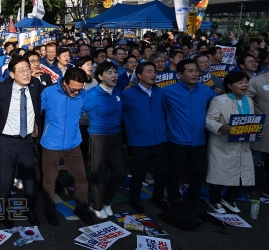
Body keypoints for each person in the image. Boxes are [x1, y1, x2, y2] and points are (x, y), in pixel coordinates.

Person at [40, 67, 95, 226]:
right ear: (64, 82)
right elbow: (35, 112)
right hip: (51, 145)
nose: (76, 93)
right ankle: (49, 211)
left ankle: (82, 208)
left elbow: (93, 108)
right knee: (49, 182)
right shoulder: (48, 93)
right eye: (73, 89)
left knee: (81, 179)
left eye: (79, 89)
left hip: (73, 144)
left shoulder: (82, 95)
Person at [0, 56, 41, 228]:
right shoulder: (2, 88)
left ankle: (32, 211)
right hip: (6, 141)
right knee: (5, 180)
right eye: (21, 70)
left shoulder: (35, 86)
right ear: (12, 74)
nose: (26, 73)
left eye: (27, 69)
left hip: (27, 140)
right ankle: (5, 212)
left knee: (29, 179)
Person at [164, 59, 217, 209]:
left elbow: (220, 103)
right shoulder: (168, 91)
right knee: (175, 172)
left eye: (196, 70)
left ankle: (193, 195)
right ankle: (173, 197)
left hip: (199, 140)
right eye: (190, 71)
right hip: (177, 139)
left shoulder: (206, 90)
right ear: (180, 74)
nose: (195, 74)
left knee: (200, 171)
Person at [121, 62, 169, 213]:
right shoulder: (127, 94)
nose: (153, 74)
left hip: (160, 139)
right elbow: (121, 114)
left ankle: (158, 197)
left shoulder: (160, 92)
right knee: (139, 173)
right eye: (149, 71)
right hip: (140, 141)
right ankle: (134, 199)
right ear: (139, 76)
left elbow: (164, 111)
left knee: (162, 172)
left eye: (154, 72)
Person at [204, 72, 255, 214]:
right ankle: (214, 201)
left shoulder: (249, 101)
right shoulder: (219, 100)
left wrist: (256, 131)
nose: (244, 85)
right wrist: (221, 127)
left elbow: (252, 120)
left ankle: (229, 199)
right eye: (240, 82)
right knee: (219, 174)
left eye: (246, 82)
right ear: (230, 85)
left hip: (242, 144)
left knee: (241, 174)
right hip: (222, 144)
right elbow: (209, 120)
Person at [83, 62, 126, 219]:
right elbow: (78, 109)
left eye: (115, 72)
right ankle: (96, 205)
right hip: (98, 137)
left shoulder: (117, 91)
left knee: (120, 172)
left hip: (116, 135)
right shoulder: (92, 94)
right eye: (109, 72)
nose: (114, 75)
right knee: (99, 174)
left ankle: (107, 202)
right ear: (100, 76)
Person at [247, 71, 269, 198]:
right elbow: (242, 98)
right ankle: (252, 189)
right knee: (256, 161)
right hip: (261, 128)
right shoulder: (257, 81)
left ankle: (267, 189)